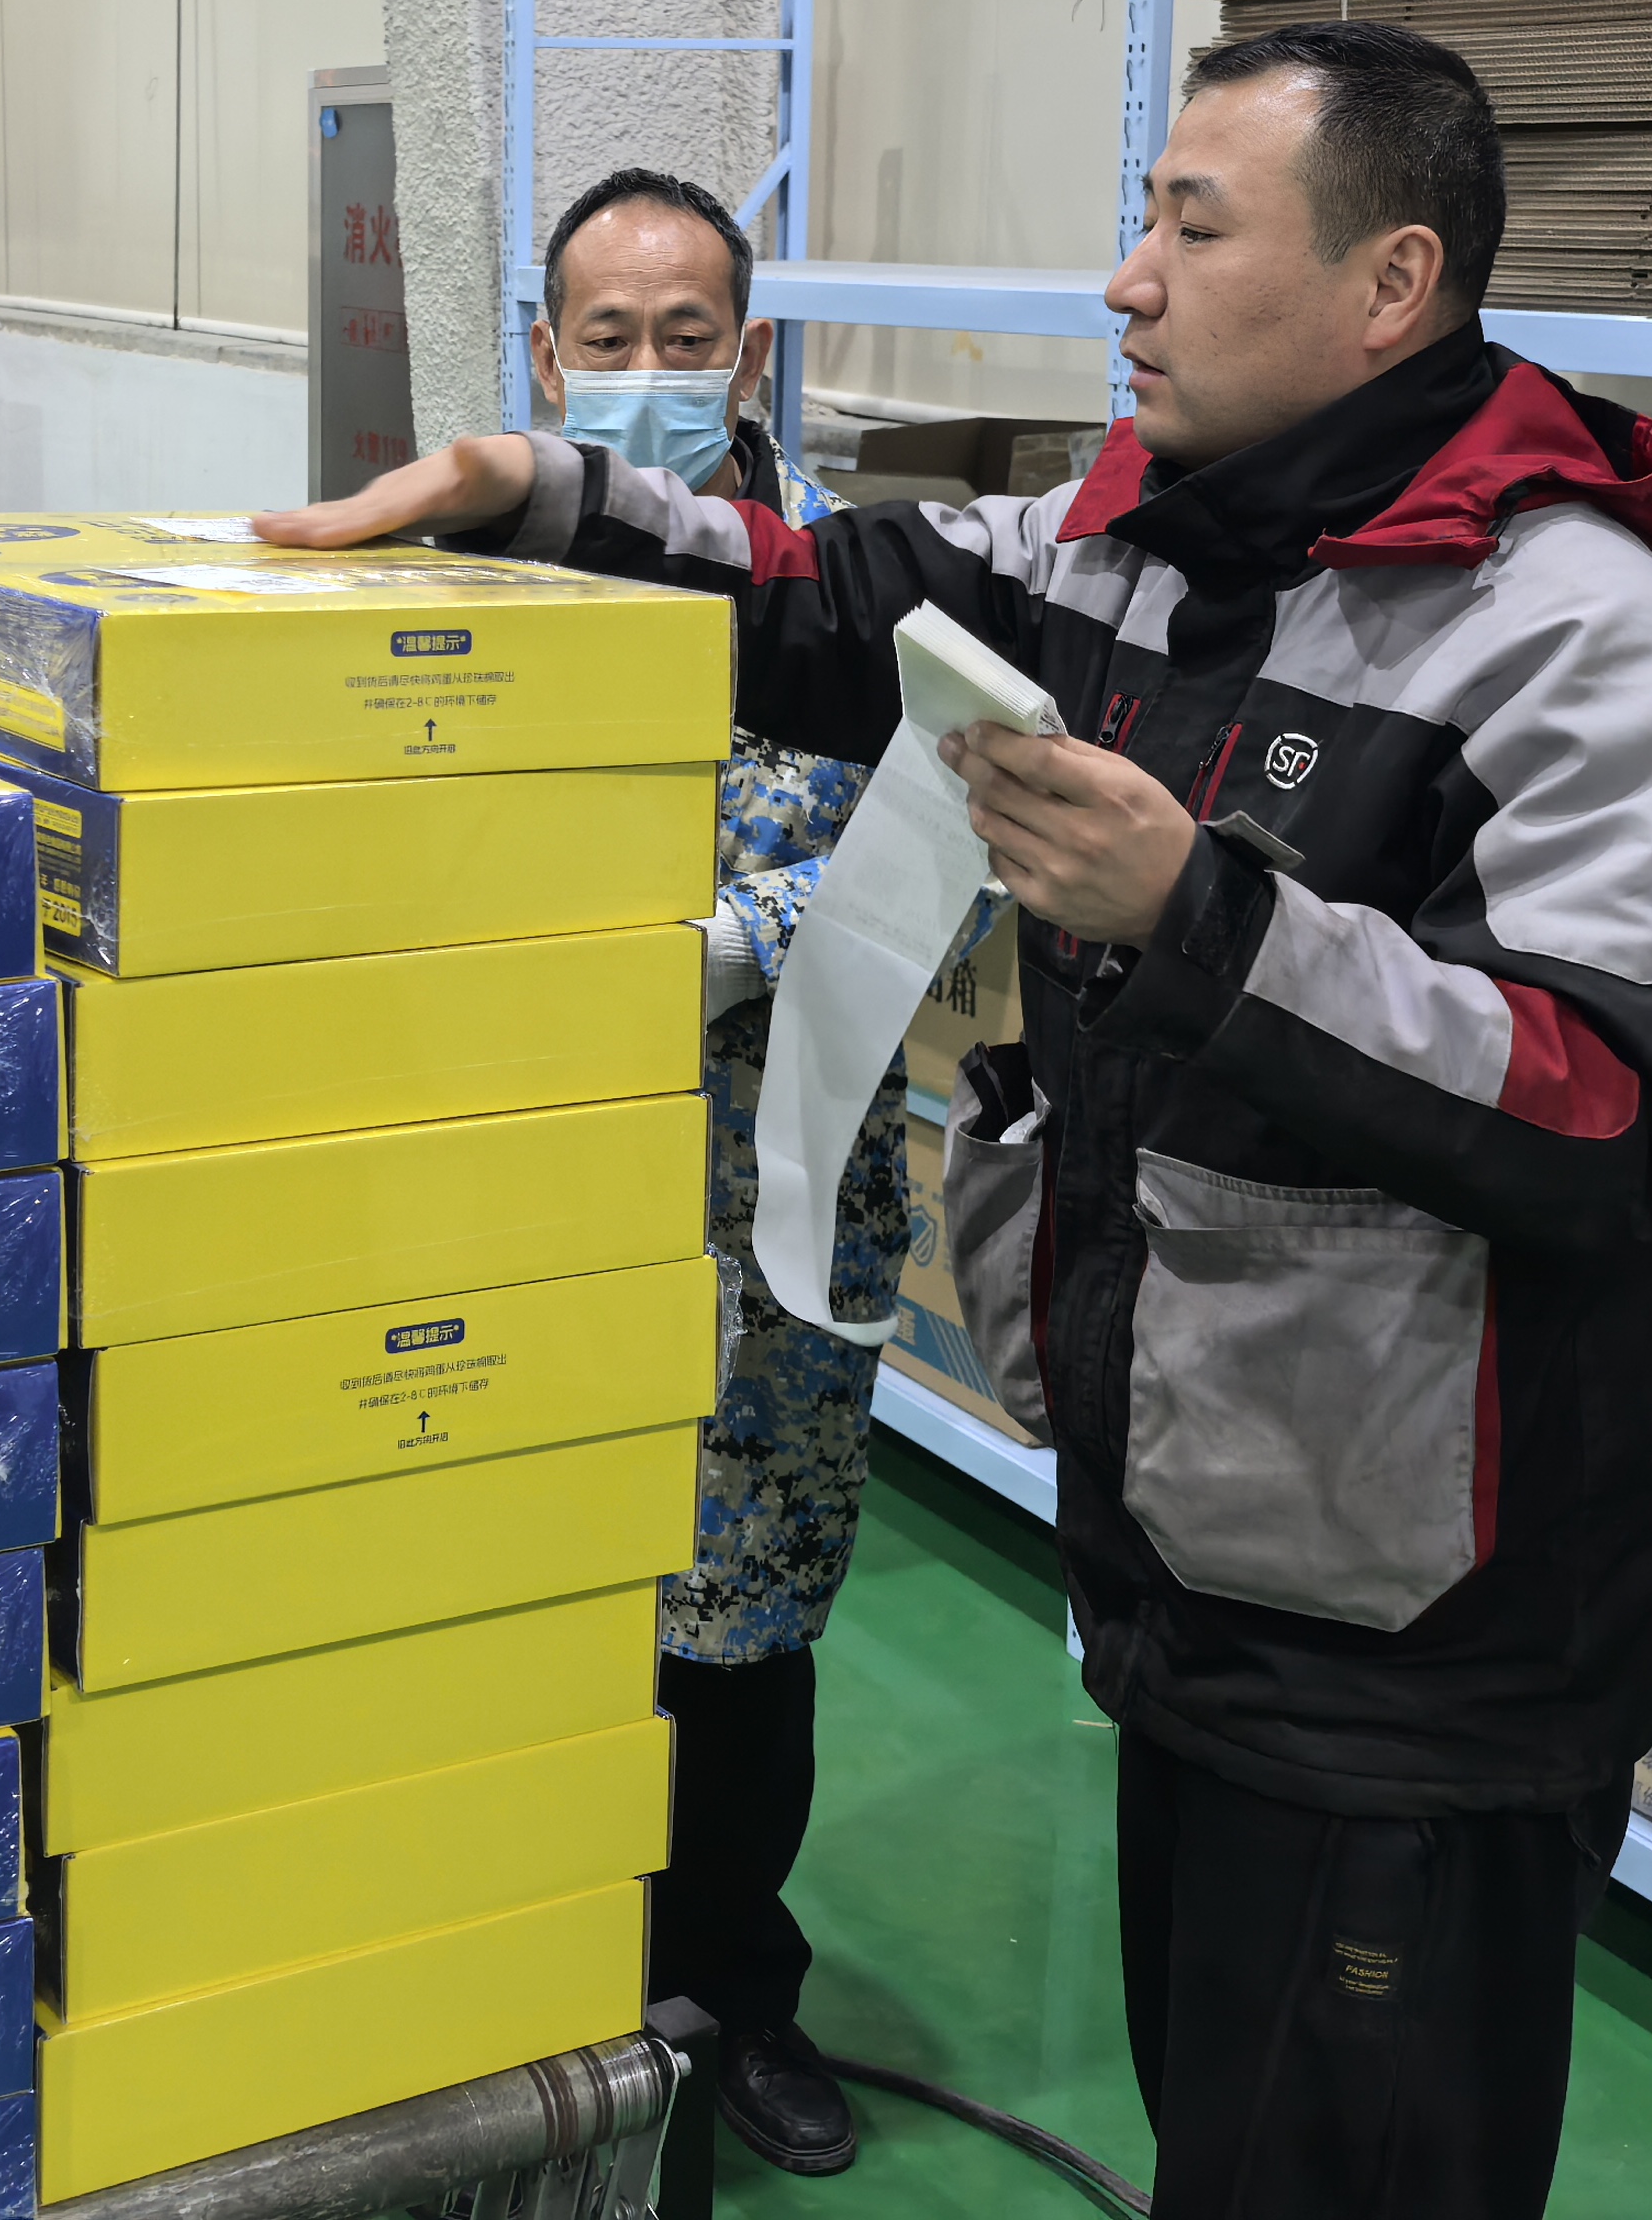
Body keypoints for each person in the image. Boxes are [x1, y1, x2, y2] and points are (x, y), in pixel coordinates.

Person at [263, 24, 1652, 2218]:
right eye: (1140, 220)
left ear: (1390, 283)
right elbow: (829, 597)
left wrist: (1198, 915)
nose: (1126, 281)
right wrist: (542, 498)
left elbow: (1594, 1112)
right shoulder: (1136, 548)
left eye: (1192, 228)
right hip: (1195, 1554)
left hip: (1412, 1639)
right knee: (1231, 2140)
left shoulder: (1586, 648)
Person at [529, 165, 985, 2180]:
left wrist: (736, 940)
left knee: (741, 1633)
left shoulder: (862, 593)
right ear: (547, 358)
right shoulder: (477, 586)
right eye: (606, 337)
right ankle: (535, 1987)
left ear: (749, 354)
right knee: (530, 1610)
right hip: (536, 1199)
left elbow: (958, 860)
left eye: (685, 336)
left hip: (773, 1207)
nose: (647, 368)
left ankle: (730, 1995)